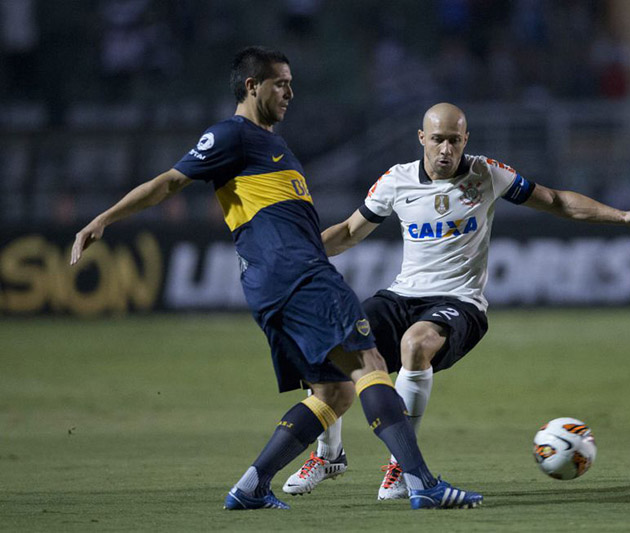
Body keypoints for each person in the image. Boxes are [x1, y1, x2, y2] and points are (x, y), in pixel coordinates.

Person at [69, 49, 482, 511]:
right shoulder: (233, 135)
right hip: (298, 274)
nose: (290, 92)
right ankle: (421, 482)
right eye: (280, 83)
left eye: (290, 83)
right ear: (252, 87)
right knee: (370, 362)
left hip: (269, 285)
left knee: (334, 391)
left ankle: (252, 485)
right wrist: (103, 219)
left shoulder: (271, 145)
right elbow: (169, 182)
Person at [282, 102, 630, 499]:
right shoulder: (396, 181)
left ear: (465, 140)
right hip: (401, 295)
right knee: (334, 344)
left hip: (459, 302)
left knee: (415, 345)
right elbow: (350, 231)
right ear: (422, 138)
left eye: (454, 140)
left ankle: (403, 467)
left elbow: (555, 200)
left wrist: (623, 217)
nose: (445, 149)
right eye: (437, 139)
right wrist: (298, 257)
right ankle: (329, 455)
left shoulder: (487, 173)